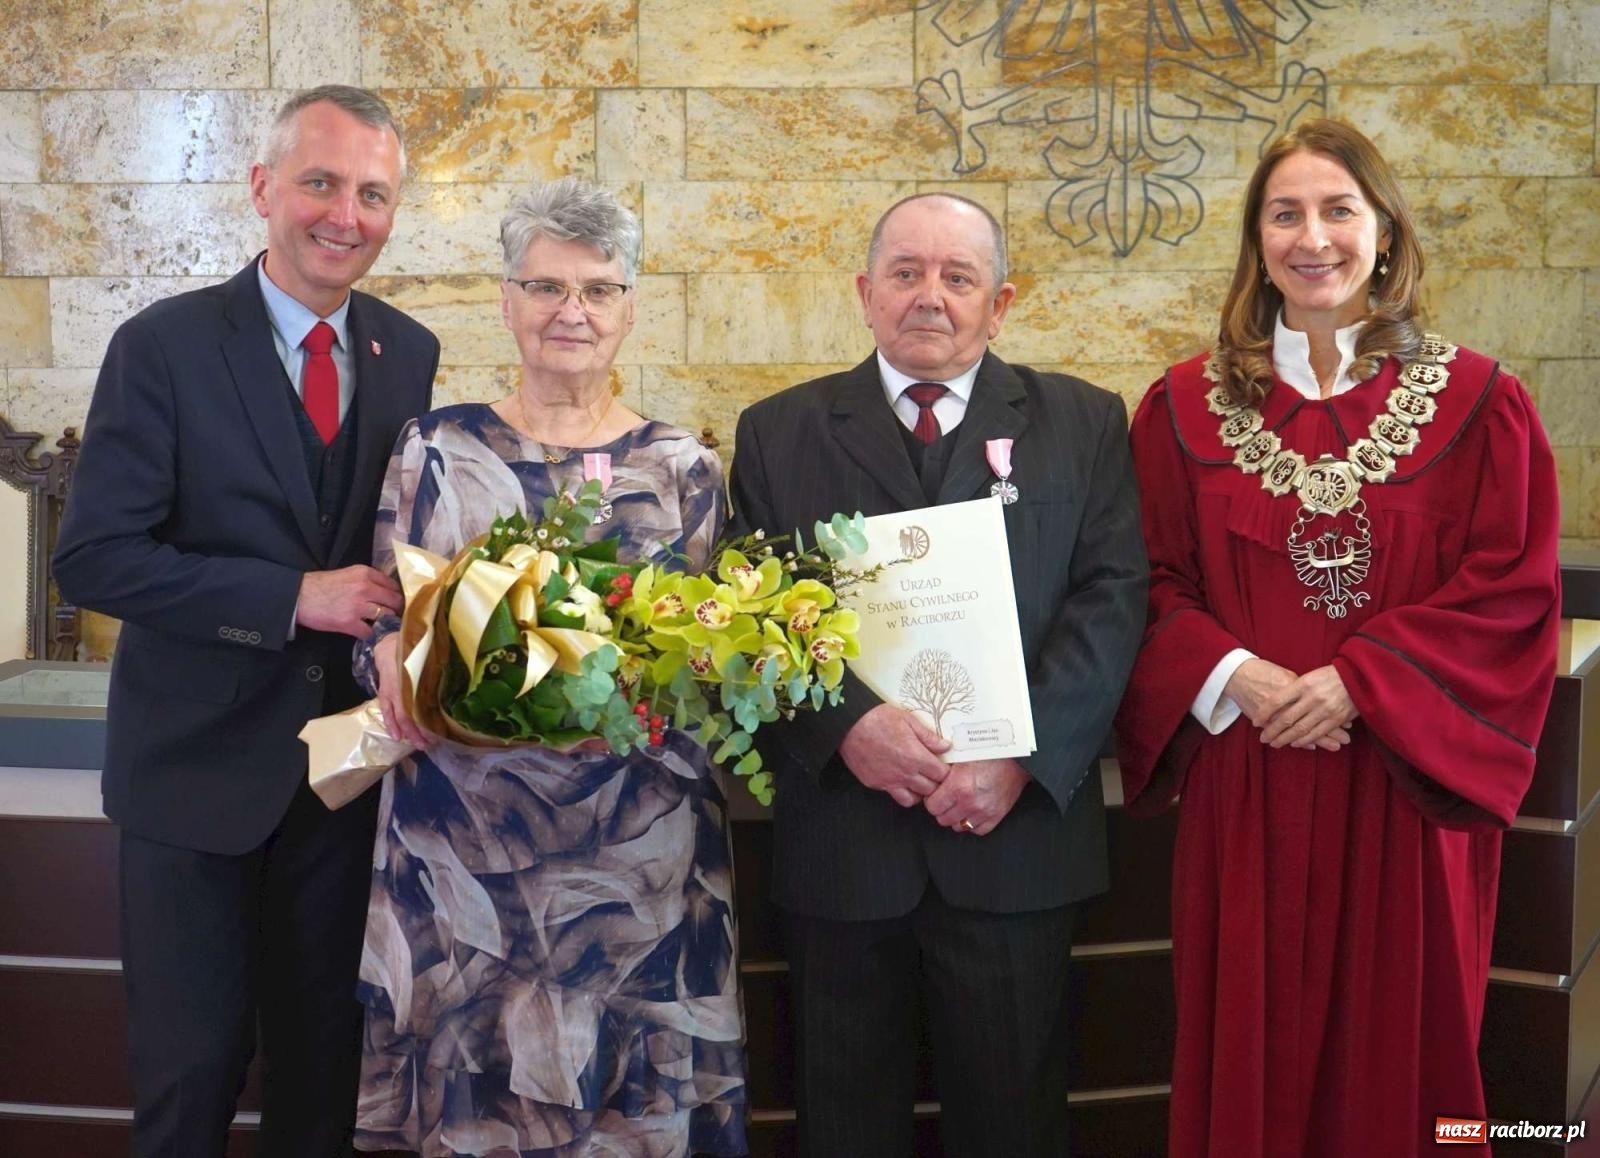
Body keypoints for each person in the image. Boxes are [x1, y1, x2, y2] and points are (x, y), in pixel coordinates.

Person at [1114, 118, 1561, 1157]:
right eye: (1285, 214)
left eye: (1337, 211)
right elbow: (1141, 581)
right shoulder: (1180, 408)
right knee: (1249, 1048)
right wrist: (1236, 674)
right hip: (1247, 778)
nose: (1311, 238)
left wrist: (1362, 681)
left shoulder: (1479, 404)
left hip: (1404, 784)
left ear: (1385, 231)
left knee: (1402, 1058)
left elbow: (1509, 590)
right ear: (1256, 240)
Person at [51, 85, 438, 1156]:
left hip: (345, 790)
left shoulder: (409, 351)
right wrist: (289, 597)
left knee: (324, 1092)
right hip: (193, 789)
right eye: (320, 182)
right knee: (191, 1084)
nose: (345, 216)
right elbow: (93, 558)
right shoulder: (161, 346)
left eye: (372, 194)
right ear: (263, 186)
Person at [726, 192, 1148, 1157]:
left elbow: (1113, 599)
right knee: (844, 1129)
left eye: (958, 276)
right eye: (906, 273)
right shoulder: (778, 431)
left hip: (1015, 844)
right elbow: (754, 610)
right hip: (846, 844)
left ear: (1000, 304)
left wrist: (1018, 759)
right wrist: (847, 729)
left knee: (1014, 1127)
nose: (930, 295)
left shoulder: (1082, 422)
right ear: (864, 292)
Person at [354, 177, 748, 1158]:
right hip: (464, 864)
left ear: (629, 309)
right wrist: (389, 653)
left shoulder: (683, 468)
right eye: (545, 286)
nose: (572, 310)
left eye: (598, 289)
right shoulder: (436, 448)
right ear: (506, 301)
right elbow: (382, 616)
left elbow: (718, 667)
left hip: (635, 875)